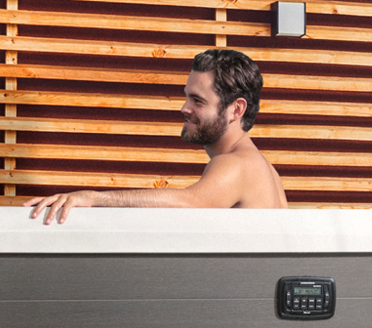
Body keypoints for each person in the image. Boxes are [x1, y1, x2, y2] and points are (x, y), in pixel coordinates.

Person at [25, 49, 287, 224]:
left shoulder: (236, 164)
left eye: (198, 100)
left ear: (236, 109)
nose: (184, 108)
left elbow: (191, 202)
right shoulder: (265, 170)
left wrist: (94, 198)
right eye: (187, 97)